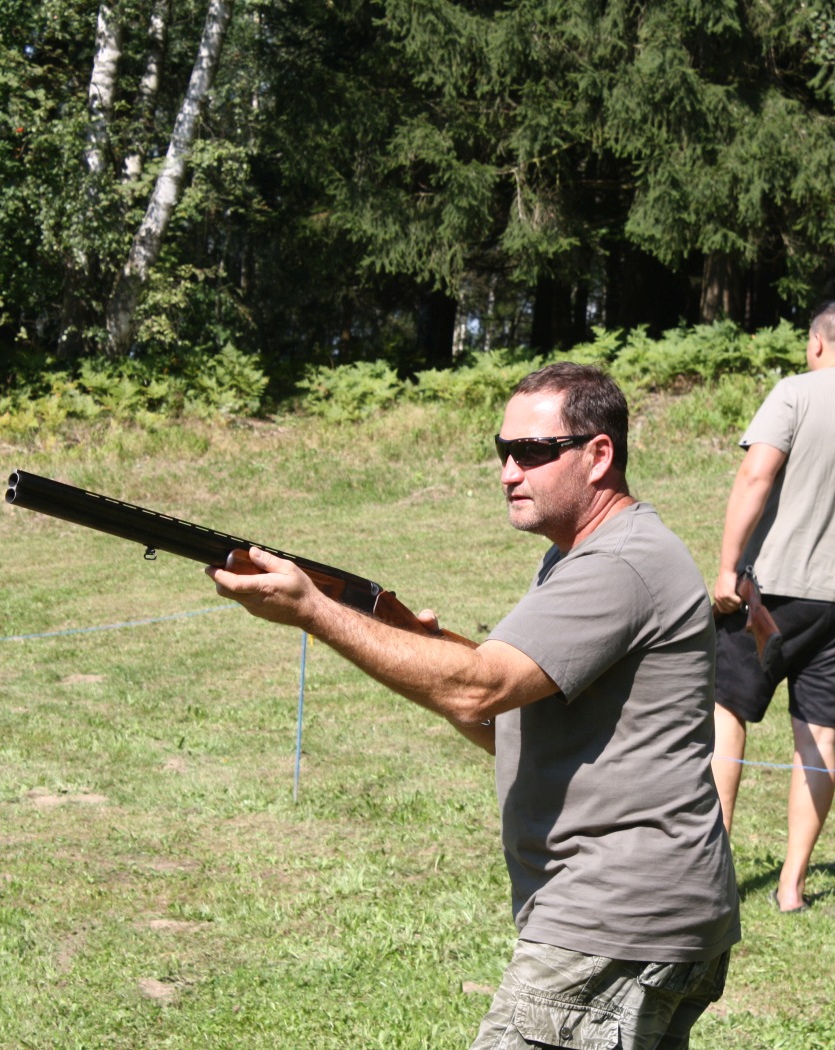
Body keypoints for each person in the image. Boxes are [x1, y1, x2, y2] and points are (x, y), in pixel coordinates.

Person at [209, 362, 740, 1049]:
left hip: (611, 919)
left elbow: (477, 686)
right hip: (647, 912)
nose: (508, 472)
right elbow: (502, 717)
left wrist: (313, 610)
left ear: (599, 454)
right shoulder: (585, 554)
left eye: (533, 452)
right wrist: (413, 645)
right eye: (502, 451)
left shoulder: (617, 563)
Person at [710, 298, 835, 913]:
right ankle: (792, 887)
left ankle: (709, 872)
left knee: (726, 711)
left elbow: (755, 475)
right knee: (818, 736)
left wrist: (726, 567)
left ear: (817, 343)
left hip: (777, 590)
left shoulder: (795, 393)